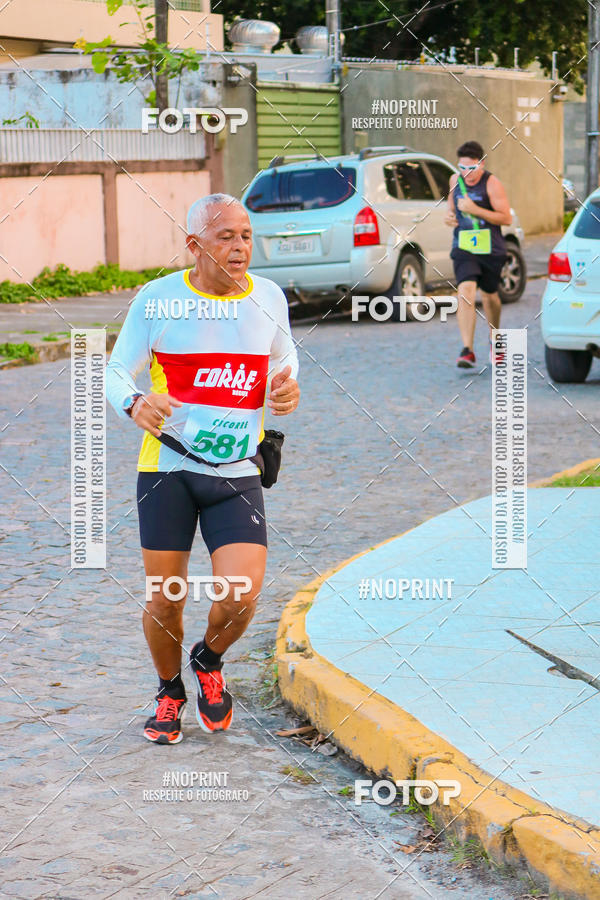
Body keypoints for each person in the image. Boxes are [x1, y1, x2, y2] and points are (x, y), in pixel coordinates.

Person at [106, 193, 300, 744]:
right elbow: (115, 372)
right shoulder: (158, 300)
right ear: (194, 245)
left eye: (245, 236)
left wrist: (286, 390)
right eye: (225, 237)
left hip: (236, 470)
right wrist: (135, 403)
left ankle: (208, 660)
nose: (239, 248)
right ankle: (169, 692)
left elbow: (285, 365)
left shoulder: (269, 298)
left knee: (240, 594)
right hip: (167, 468)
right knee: (166, 595)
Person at [444, 140, 512, 368]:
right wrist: (449, 218)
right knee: (465, 291)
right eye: (462, 167)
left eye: (471, 168)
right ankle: (467, 350)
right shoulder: (455, 181)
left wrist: (476, 210)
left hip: (491, 248)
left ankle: (495, 337)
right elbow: (450, 210)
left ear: (481, 164)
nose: (466, 173)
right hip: (464, 247)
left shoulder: (492, 184)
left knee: (490, 296)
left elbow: (506, 218)